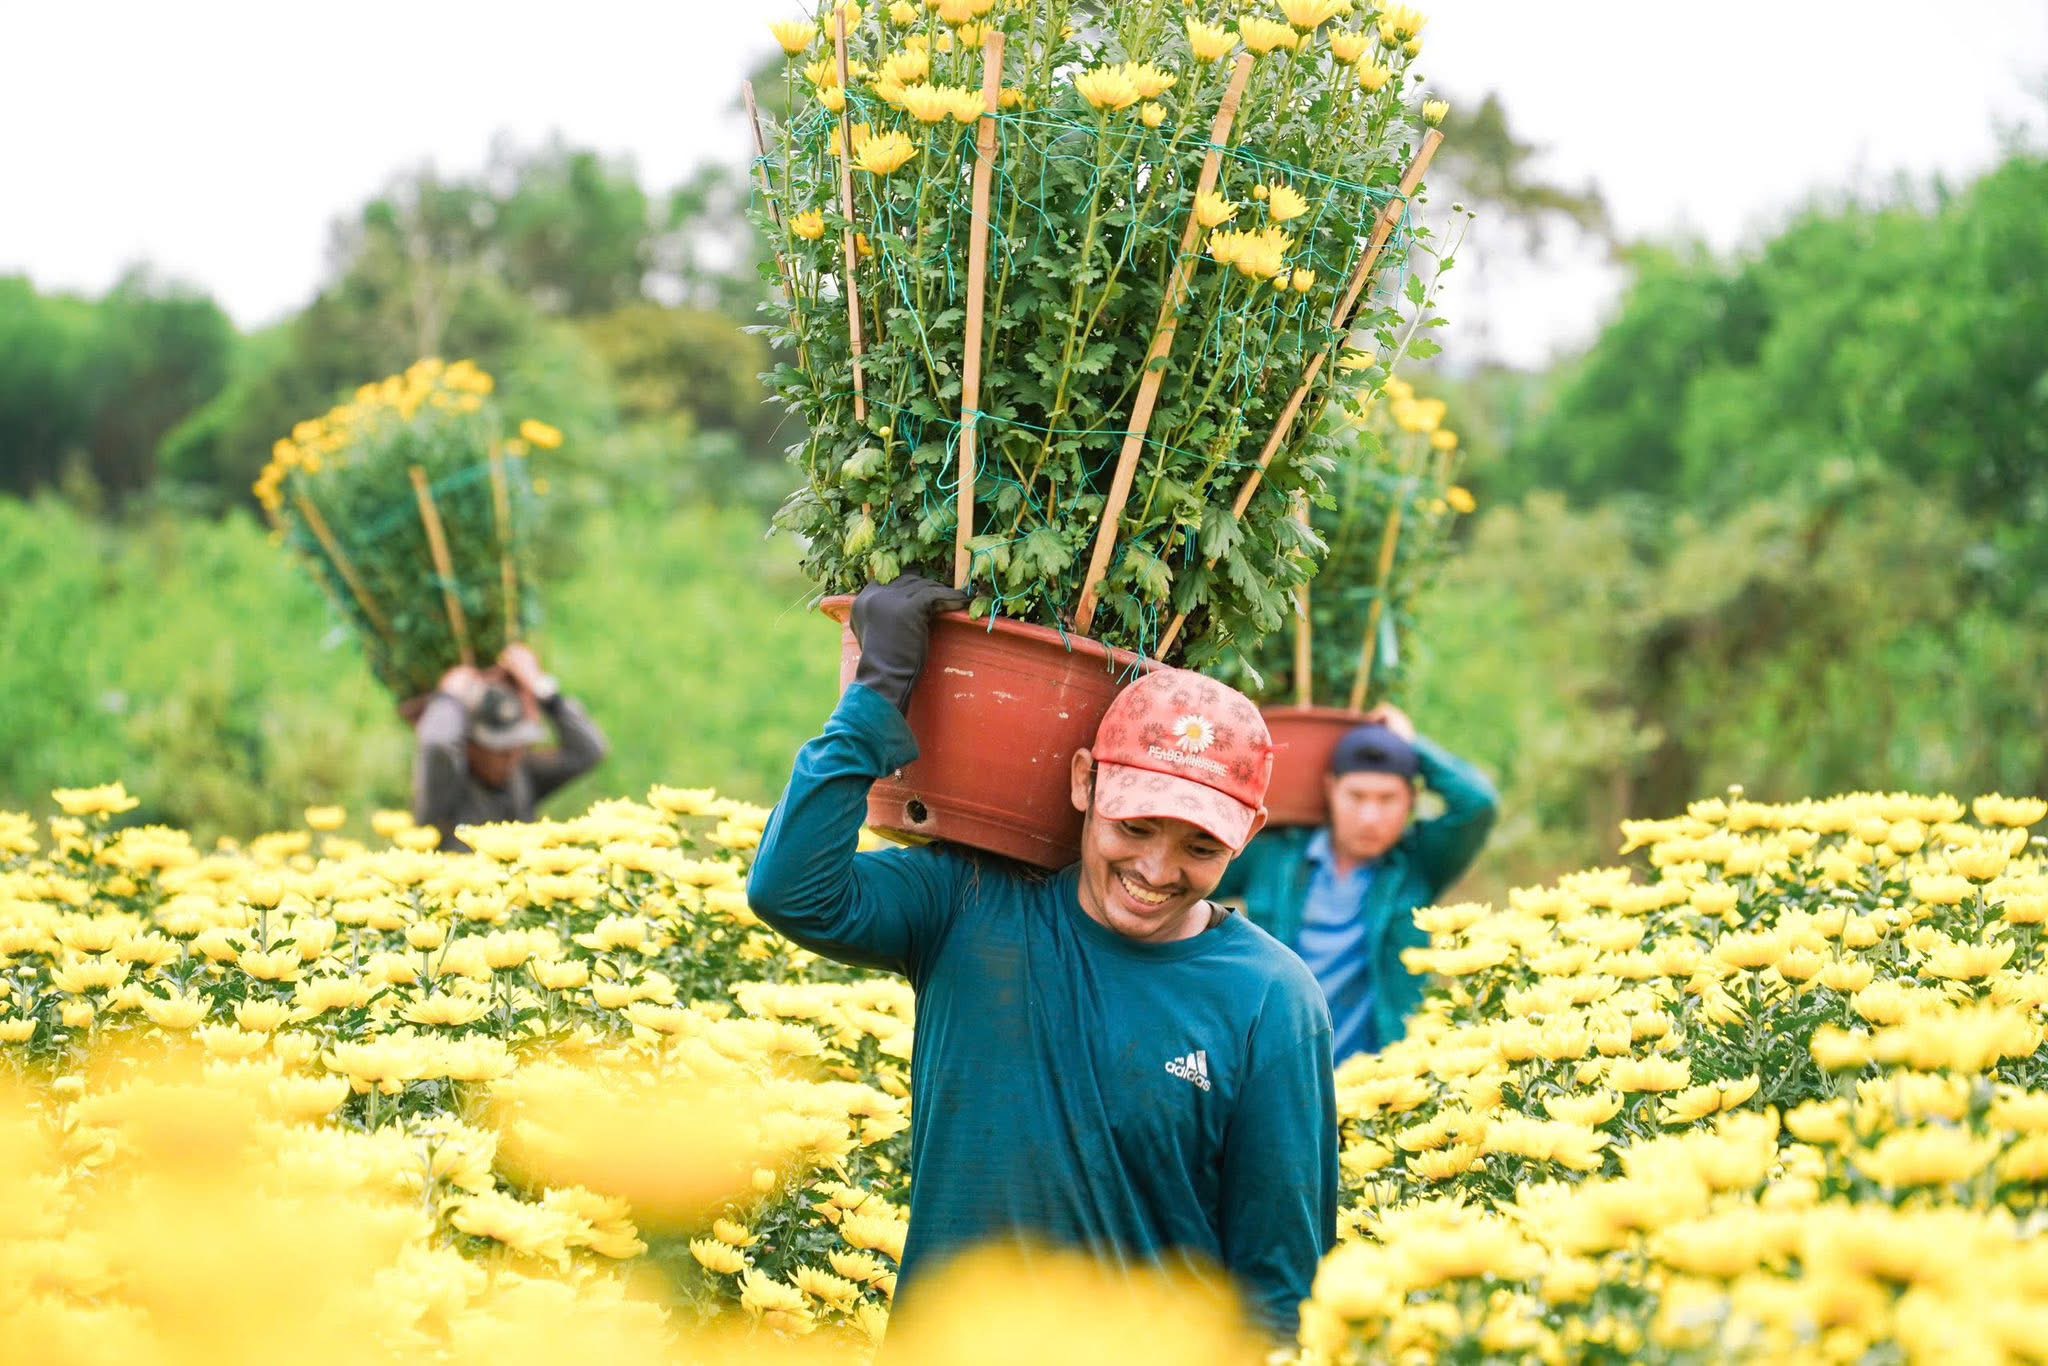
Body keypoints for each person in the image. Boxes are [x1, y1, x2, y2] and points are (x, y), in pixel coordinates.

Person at [747, 576, 1337, 1341]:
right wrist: (876, 695)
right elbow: (793, 891)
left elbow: (1280, 1287)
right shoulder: (971, 905)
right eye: (1136, 827)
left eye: (1200, 846)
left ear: (1247, 835)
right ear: (1084, 780)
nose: (1158, 871)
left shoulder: (1270, 999)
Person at [1216, 704, 1498, 1065]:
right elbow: (1190, 881)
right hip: (1278, 1064)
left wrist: (1411, 745)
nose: (1370, 817)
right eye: (1357, 796)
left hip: (1381, 1080)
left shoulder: (1416, 866)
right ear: (1331, 789)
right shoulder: (1276, 857)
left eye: (1387, 799)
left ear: (1411, 800)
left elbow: (1479, 804)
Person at [410, 643, 609, 851]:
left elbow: (589, 752)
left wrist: (543, 690)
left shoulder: (522, 773)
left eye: (515, 746)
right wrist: (449, 698)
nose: (511, 757)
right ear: (470, 745)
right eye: (499, 749)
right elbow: (437, 745)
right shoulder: (445, 786)